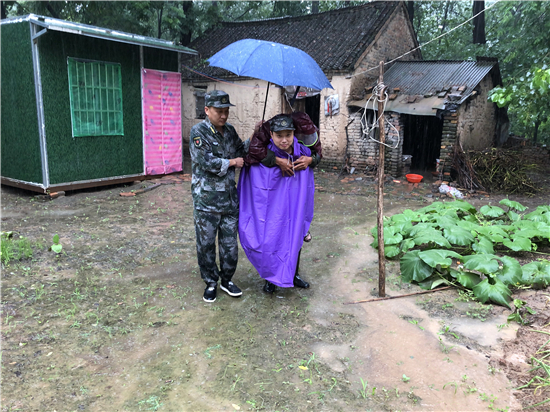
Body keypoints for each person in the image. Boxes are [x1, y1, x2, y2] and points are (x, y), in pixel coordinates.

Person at [238, 115, 316, 293]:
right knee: (271, 238)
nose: (284, 140)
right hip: (273, 207)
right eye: (279, 136)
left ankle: (293, 274)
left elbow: (317, 156)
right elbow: (249, 158)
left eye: (288, 135)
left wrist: (311, 160)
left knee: (294, 236)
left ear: (294, 134)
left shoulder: (302, 152)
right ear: (271, 135)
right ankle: (270, 278)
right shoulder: (263, 154)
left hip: (294, 202)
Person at [189, 90, 246, 303]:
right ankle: (211, 282)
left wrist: (257, 135)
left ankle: (227, 280)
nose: (223, 115)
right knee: (206, 245)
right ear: (207, 110)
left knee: (229, 245)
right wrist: (231, 162)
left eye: (226, 111)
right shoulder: (198, 132)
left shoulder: (229, 131)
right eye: (219, 111)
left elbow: (241, 150)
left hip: (229, 200)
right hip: (207, 201)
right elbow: (205, 161)